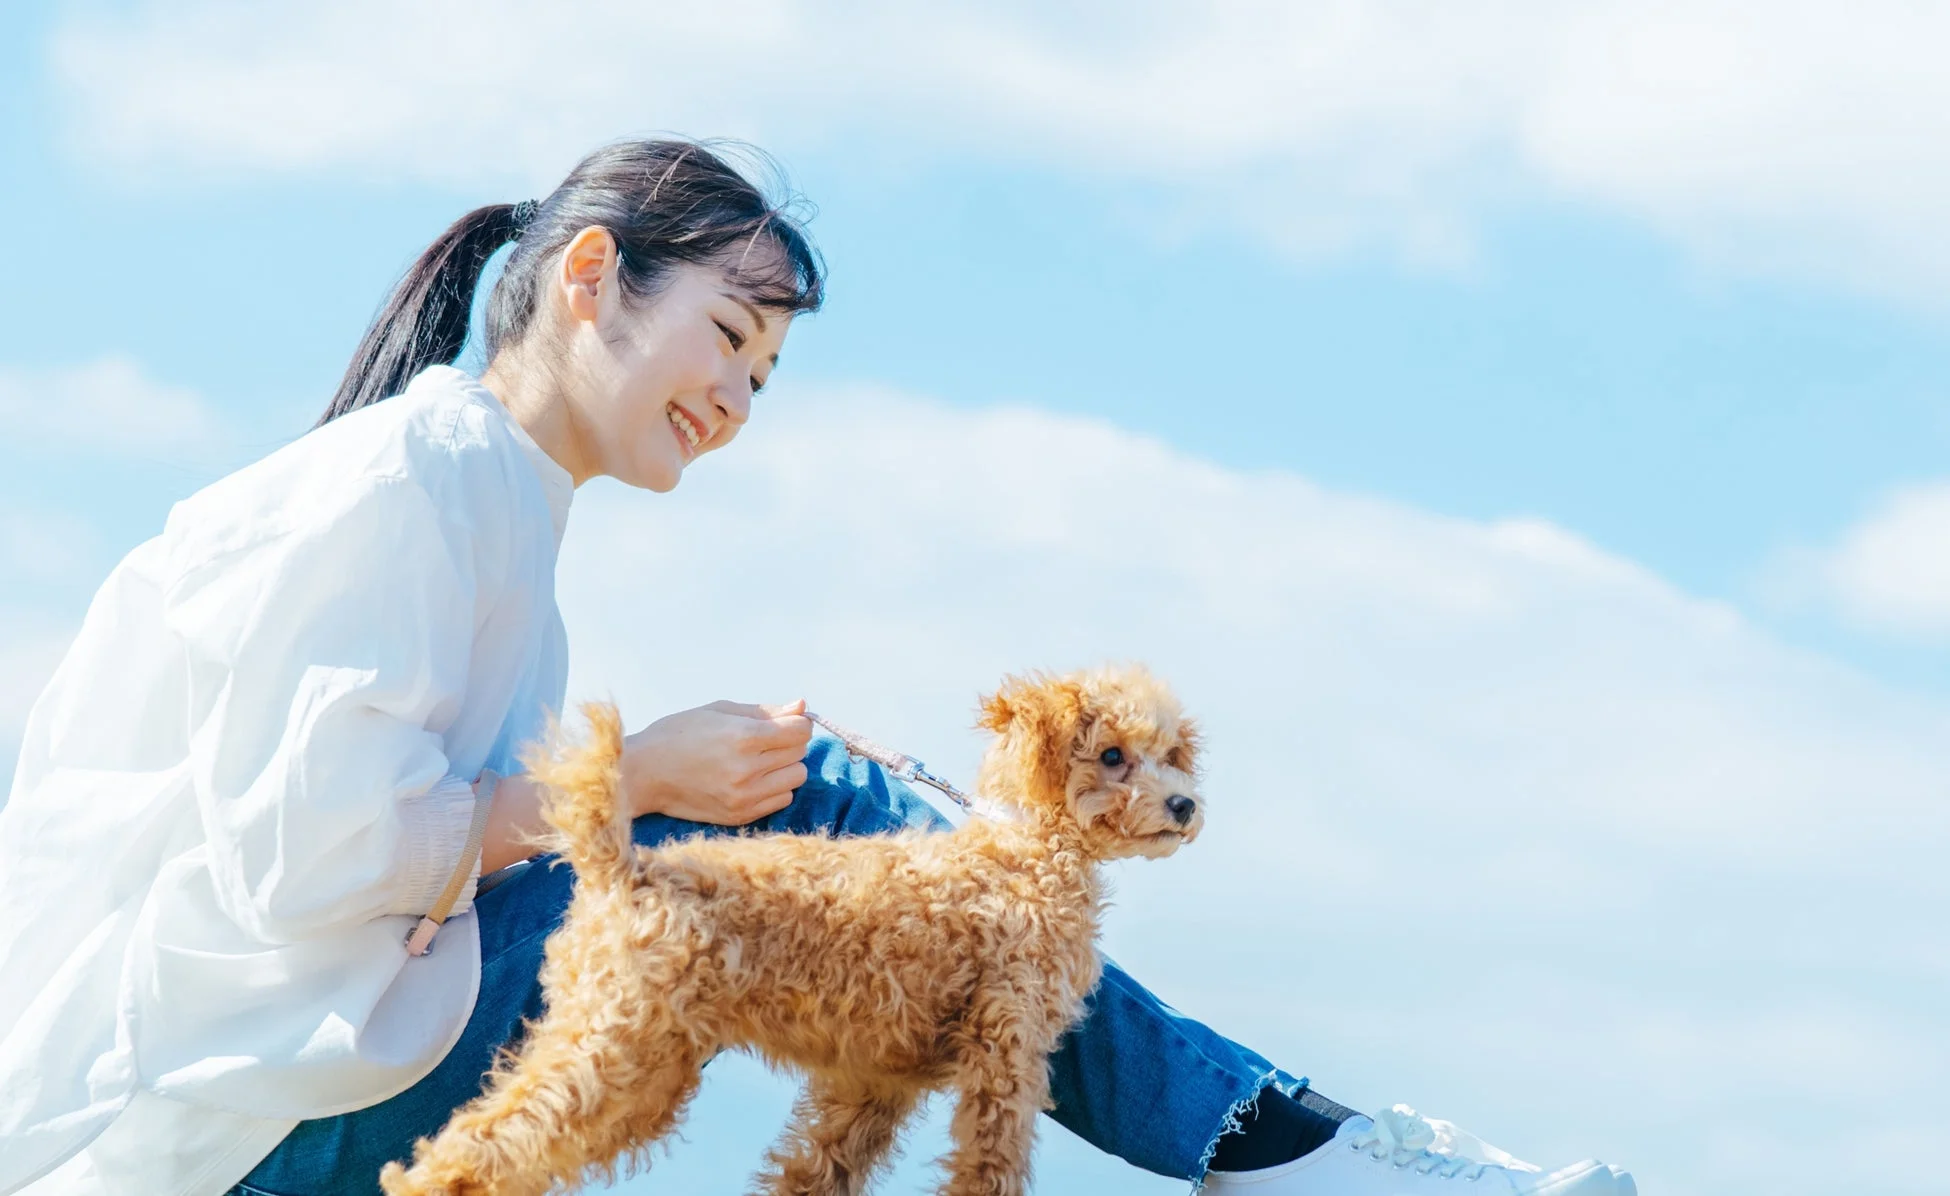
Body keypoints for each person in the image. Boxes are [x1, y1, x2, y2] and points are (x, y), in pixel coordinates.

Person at [0, 139, 1634, 1196]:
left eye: (766, 378)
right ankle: (1286, 1152)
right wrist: (638, 787)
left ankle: (1273, 1142)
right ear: (590, 279)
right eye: (727, 336)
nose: (736, 399)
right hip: (212, 1135)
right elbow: (311, 860)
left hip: (268, 1098)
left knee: (835, 835)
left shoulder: (481, 503)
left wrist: (670, 797)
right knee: (852, 825)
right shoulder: (405, 484)